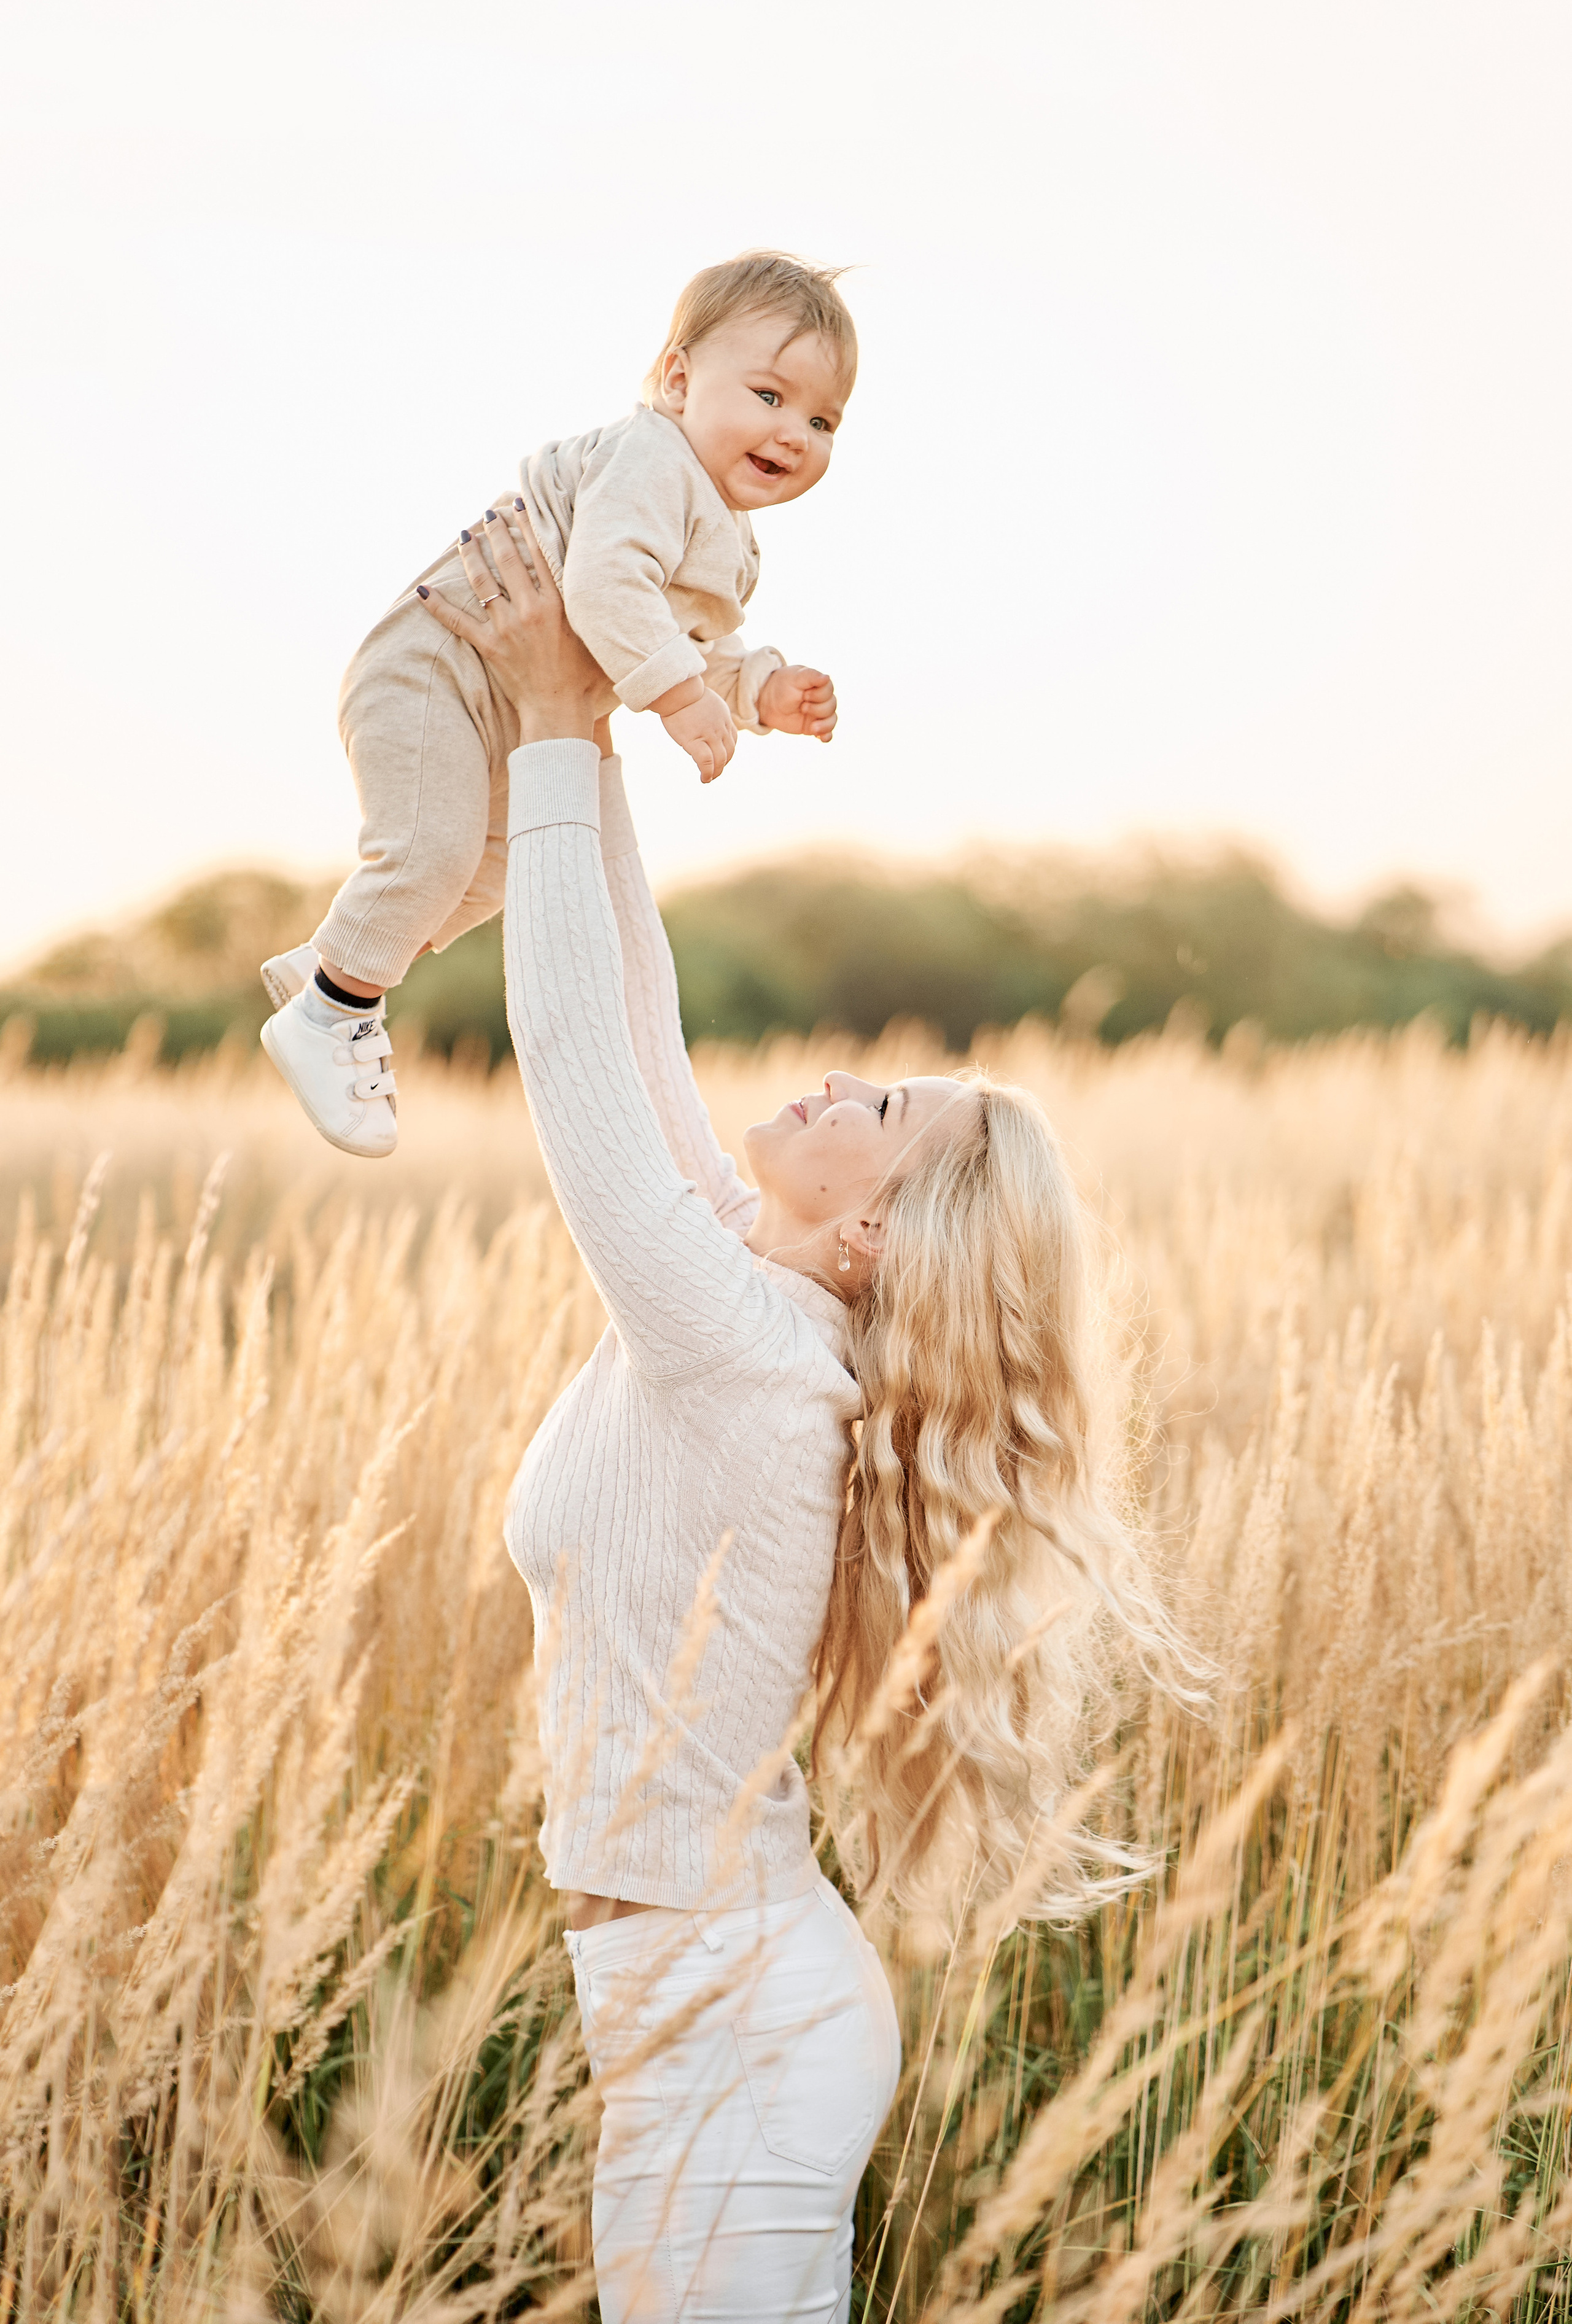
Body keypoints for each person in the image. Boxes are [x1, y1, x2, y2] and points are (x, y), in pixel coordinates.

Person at [416, 516, 1186, 2323]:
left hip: (733, 2030)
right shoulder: (749, 1299)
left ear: (872, 1233)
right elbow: (638, 1012)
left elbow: (573, 1060)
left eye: (883, 1106)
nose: (835, 1074)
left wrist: (543, 729)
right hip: (700, 2011)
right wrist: (587, 717)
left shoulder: (747, 1351)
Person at [259, 251, 852, 1159]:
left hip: (500, 703)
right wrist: (684, 698)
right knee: (434, 853)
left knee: (493, 871)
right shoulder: (653, 455)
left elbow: (681, 634)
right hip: (437, 668)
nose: (795, 433)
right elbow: (608, 588)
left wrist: (758, 688)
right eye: (770, 397)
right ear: (679, 379)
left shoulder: (726, 529)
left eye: (822, 419)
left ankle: (334, 968)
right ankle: (333, 1011)